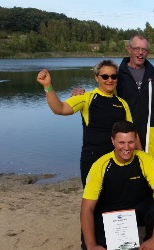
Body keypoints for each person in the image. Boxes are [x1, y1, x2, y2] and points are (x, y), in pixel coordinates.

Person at [36, 59, 136, 187]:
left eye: (113, 76)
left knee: (119, 202)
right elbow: (59, 109)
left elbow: (132, 135)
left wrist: (140, 159)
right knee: (94, 202)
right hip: (93, 160)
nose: (109, 80)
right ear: (96, 78)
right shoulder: (86, 98)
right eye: (105, 76)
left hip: (118, 159)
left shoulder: (122, 103)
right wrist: (47, 86)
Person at [80, 120, 154, 250]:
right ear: (113, 141)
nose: (126, 147)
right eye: (121, 142)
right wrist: (91, 245)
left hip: (138, 208)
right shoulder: (100, 165)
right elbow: (86, 208)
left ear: (136, 139)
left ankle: (150, 242)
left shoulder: (145, 160)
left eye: (131, 142)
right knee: (90, 241)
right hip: (109, 211)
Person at [72, 35, 154, 150]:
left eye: (144, 50)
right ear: (128, 49)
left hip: (151, 133)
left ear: (147, 52)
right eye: (136, 49)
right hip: (124, 135)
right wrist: (85, 95)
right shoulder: (117, 74)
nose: (140, 53)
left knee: (147, 165)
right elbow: (106, 93)